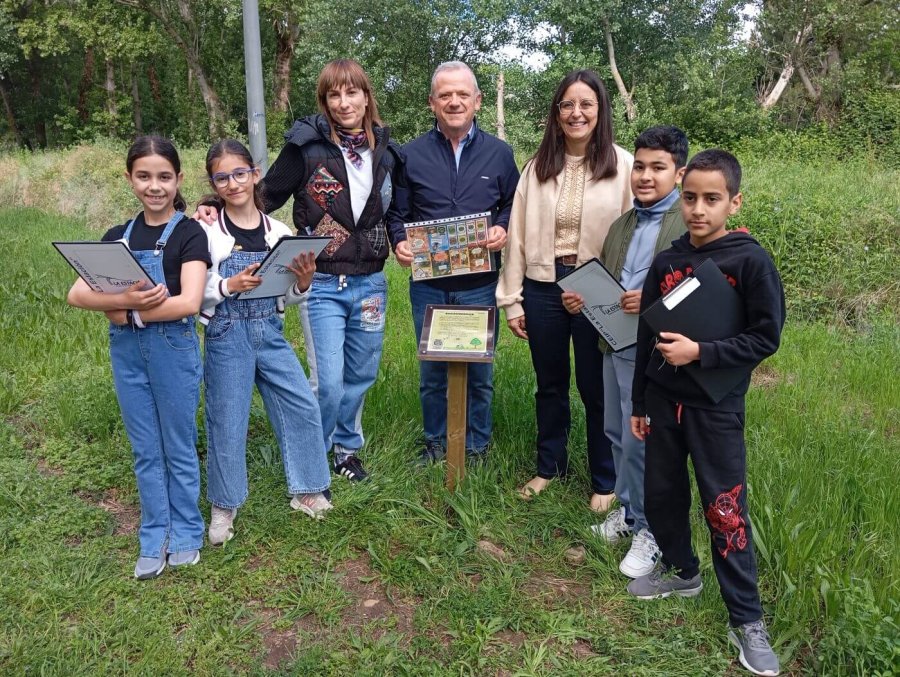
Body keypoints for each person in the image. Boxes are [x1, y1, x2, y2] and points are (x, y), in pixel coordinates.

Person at [197, 59, 403, 483]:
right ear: (324, 101)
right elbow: (263, 195)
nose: (344, 103)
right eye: (334, 95)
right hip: (322, 281)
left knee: (360, 376)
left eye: (352, 93)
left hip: (371, 283)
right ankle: (315, 448)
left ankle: (346, 450)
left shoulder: (386, 150)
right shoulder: (306, 147)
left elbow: (396, 211)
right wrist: (213, 204)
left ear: (367, 96)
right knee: (328, 381)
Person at [627, 149, 784, 676]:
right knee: (662, 493)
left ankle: (748, 619)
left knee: (724, 507)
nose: (698, 209)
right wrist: (638, 401)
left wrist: (702, 354)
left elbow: (766, 337)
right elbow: (646, 335)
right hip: (662, 403)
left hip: (714, 408)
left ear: (733, 202)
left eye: (711, 199)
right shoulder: (669, 262)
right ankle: (681, 570)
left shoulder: (748, 261)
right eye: (690, 197)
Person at [67, 136, 209, 579]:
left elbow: (188, 303)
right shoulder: (116, 239)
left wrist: (122, 308)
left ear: (178, 180)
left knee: (179, 445)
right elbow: (76, 294)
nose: (155, 186)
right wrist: (131, 300)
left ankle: (187, 530)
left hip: (174, 348)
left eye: (164, 177)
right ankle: (154, 533)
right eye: (144, 177)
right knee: (145, 448)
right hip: (128, 355)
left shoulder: (189, 233)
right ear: (130, 179)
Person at [496, 70, 632, 511]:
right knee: (549, 384)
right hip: (543, 289)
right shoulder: (537, 168)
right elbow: (516, 236)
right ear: (556, 114)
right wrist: (511, 300)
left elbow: (634, 236)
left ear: (600, 110)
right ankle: (548, 467)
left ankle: (605, 479)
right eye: (568, 105)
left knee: (598, 389)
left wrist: (624, 293)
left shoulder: (624, 165)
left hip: (598, 289)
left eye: (586, 104)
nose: (577, 113)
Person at [565, 126, 688, 577]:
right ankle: (631, 512)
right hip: (615, 342)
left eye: (658, 168)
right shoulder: (624, 224)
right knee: (617, 431)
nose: (646, 176)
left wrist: (655, 302)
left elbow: (701, 287)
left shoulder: (687, 223)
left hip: (658, 352)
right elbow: (609, 282)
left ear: (680, 173)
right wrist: (581, 297)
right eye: (639, 166)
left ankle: (653, 530)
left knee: (646, 440)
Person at [199, 139, 334, 544]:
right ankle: (225, 505)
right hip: (226, 331)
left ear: (255, 173)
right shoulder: (205, 229)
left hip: (269, 331)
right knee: (227, 419)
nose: (233, 183)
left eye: (239, 173)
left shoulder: (279, 231)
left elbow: (287, 295)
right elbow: (193, 287)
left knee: (301, 403)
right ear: (214, 183)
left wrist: (304, 282)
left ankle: (308, 490)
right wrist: (227, 284)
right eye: (222, 177)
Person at [390, 61, 519, 464]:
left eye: (462, 94)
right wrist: (399, 243)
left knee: (479, 374)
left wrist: (502, 227)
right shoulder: (409, 155)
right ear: (432, 103)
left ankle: (477, 446)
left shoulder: (500, 154)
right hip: (429, 284)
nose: (454, 101)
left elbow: (514, 202)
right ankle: (435, 442)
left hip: (480, 282)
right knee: (432, 374)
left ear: (478, 101)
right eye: (445, 94)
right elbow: (397, 213)